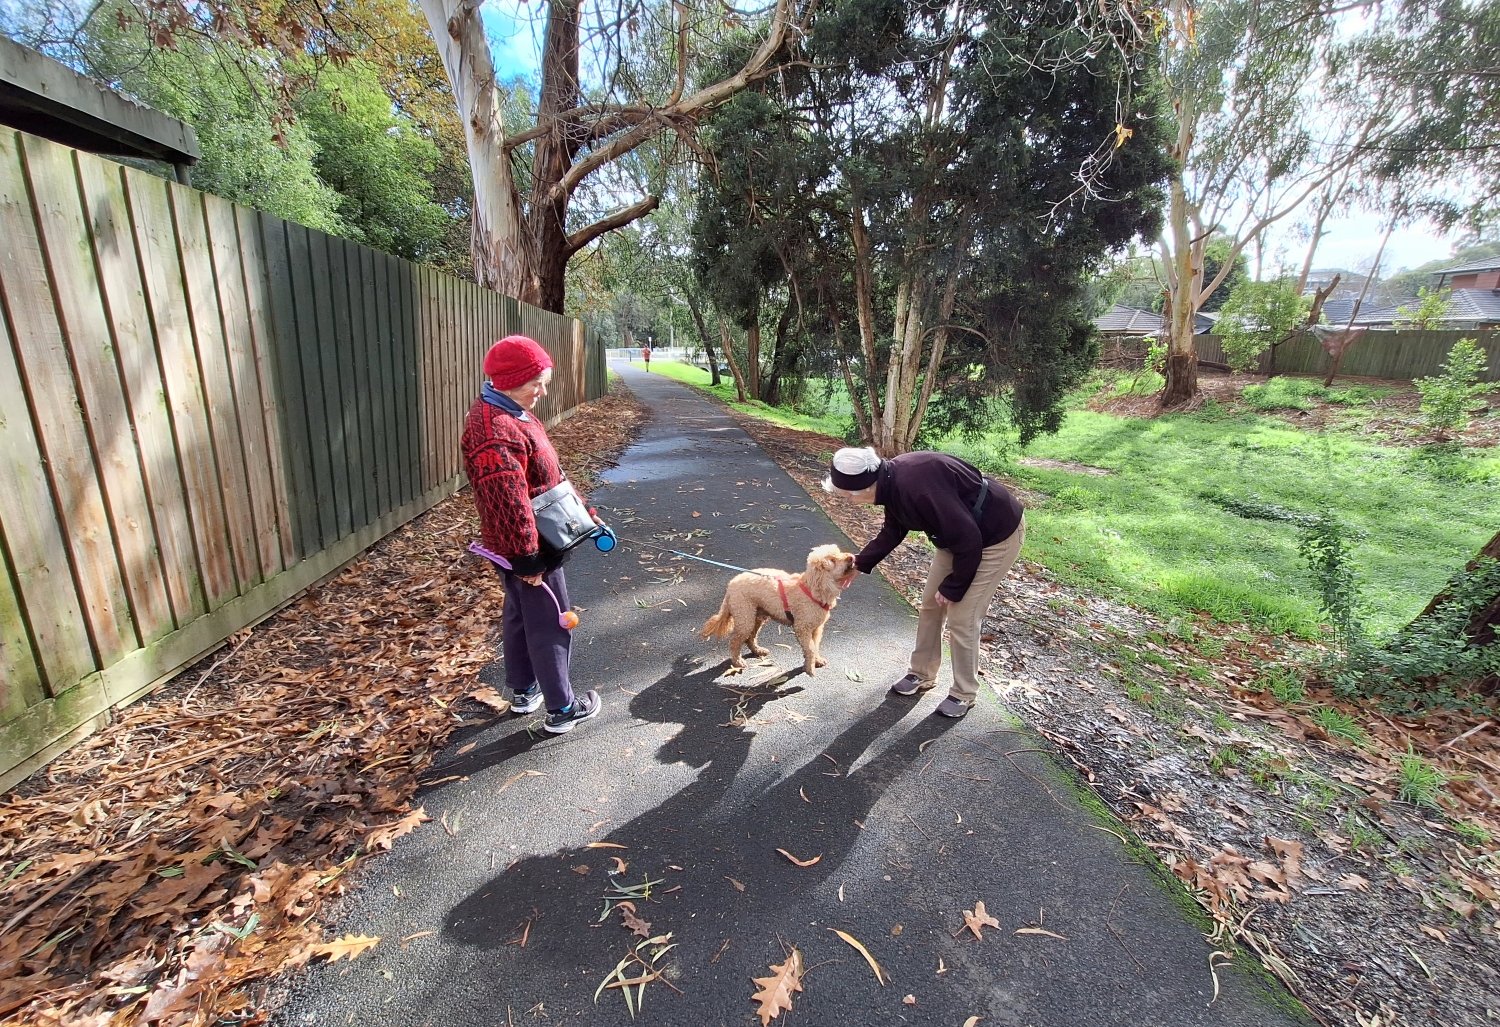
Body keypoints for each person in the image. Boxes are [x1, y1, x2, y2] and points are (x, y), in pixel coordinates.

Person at [461, 335, 601, 734]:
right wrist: (527, 559)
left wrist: (584, 513)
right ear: (509, 380)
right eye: (535, 382)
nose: (542, 391)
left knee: (521, 615)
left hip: (530, 539)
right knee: (550, 620)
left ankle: (525, 690)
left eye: (544, 380)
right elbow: (507, 499)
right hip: (528, 544)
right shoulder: (495, 429)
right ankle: (563, 708)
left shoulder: (511, 411)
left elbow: (548, 474)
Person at [824, 447, 1025, 718]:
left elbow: (969, 540)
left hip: (993, 536)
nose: (849, 501)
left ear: (865, 487)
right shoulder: (890, 482)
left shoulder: (918, 488)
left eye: (848, 496)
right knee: (931, 605)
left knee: (962, 617)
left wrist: (954, 586)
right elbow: (893, 530)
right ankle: (922, 673)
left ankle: (963, 693)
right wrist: (860, 563)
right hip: (956, 537)